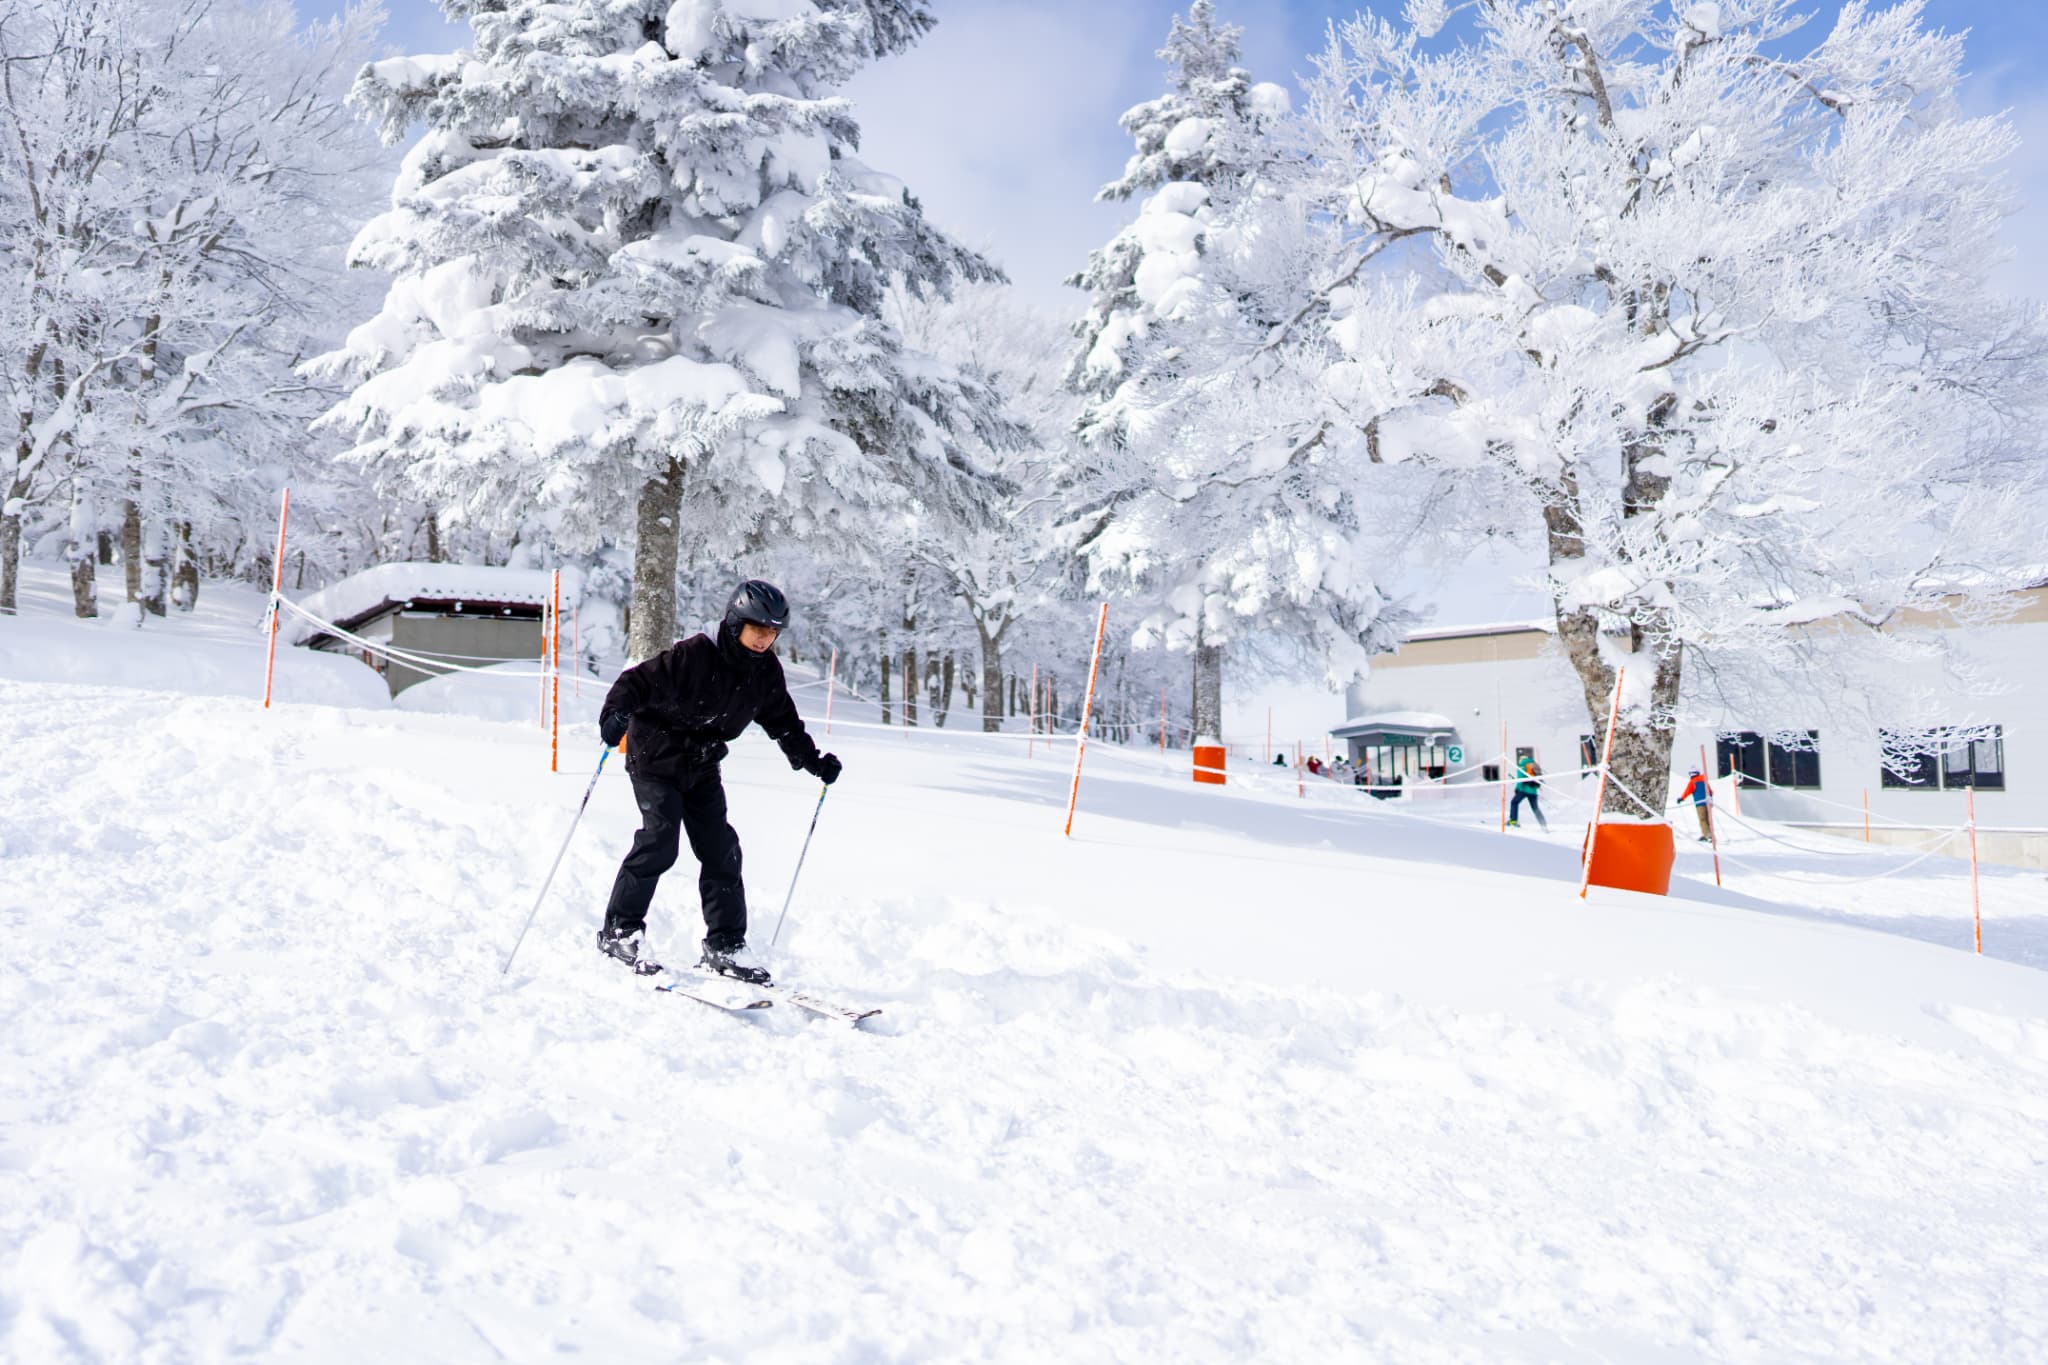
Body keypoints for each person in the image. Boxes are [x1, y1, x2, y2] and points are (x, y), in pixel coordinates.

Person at [594, 579, 841, 983]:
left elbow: (783, 722)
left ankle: (724, 944)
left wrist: (812, 762)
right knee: (659, 842)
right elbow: (635, 682)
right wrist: (614, 716)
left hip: (702, 762)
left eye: (772, 633)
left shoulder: (765, 673)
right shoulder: (695, 655)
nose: (764, 640)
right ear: (735, 622)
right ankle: (619, 931)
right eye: (757, 629)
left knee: (721, 848)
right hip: (656, 754)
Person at [1507, 753, 1547, 830]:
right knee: (1535, 808)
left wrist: (1517, 788)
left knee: (1514, 802)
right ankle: (1543, 825)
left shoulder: (1522, 764)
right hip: (1533, 790)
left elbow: (1521, 778)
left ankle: (1513, 821)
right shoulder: (1533, 763)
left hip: (1524, 789)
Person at [1678, 768, 1714, 842]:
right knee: (1708, 819)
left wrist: (1681, 798)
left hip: (1700, 803)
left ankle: (1707, 835)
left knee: (1702, 819)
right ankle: (1709, 834)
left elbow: (1687, 791)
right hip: (1708, 802)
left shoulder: (1693, 782)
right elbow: (1710, 791)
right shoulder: (1704, 780)